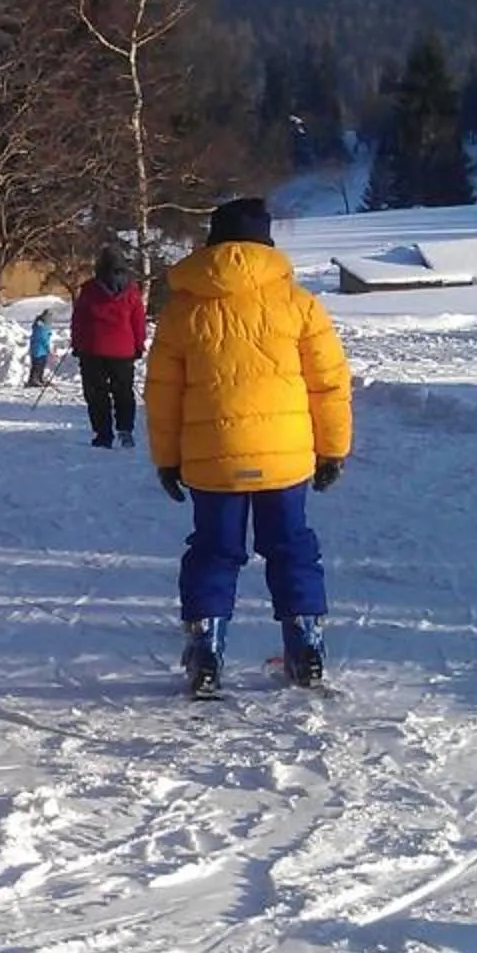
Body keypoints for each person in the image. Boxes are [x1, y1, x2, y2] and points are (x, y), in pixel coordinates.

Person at [146, 196, 351, 694]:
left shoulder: (183, 310)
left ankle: (207, 649)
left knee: (215, 551)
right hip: (285, 455)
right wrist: (333, 449)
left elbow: (162, 394)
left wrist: (167, 459)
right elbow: (329, 383)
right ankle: (305, 646)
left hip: (212, 459)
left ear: (212, 242)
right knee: (292, 547)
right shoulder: (300, 304)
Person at [70, 247, 149, 448]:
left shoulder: (90, 289)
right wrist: (139, 345)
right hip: (124, 350)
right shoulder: (132, 291)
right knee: (123, 391)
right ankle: (125, 429)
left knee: (97, 394)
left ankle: (103, 434)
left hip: (93, 348)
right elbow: (138, 321)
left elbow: (79, 319)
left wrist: (77, 343)